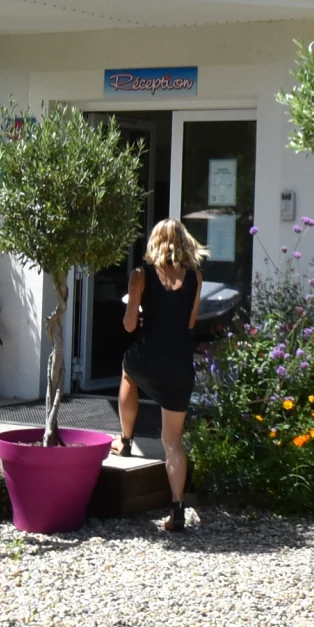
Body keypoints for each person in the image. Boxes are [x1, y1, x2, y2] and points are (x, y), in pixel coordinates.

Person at [119, 218, 205, 532]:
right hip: (180, 361)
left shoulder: (140, 275)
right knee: (172, 441)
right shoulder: (195, 276)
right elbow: (190, 323)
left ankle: (126, 440)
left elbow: (129, 326)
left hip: (148, 356)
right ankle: (177, 507)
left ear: (154, 241)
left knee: (128, 373)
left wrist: (138, 312)